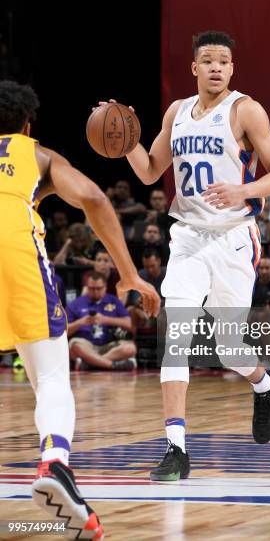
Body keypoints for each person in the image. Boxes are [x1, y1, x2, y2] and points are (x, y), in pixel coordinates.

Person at [112, 29, 270, 481]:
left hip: (233, 238)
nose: (216, 67)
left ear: (232, 69)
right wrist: (126, 137)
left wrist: (243, 190)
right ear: (194, 68)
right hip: (188, 236)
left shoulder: (245, 110)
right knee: (177, 336)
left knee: (230, 348)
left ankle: (263, 384)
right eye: (208, 60)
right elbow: (151, 170)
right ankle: (176, 448)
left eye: (224, 61)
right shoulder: (177, 112)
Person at [0, 80, 160, 538]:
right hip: (14, 252)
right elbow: (92, 197)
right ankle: (54, 463)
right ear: (27, 125)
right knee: (50, 378)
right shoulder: (39, 155)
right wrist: (128, 275)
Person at [68, 272, 135, 371]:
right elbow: (64, 331)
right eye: (91, 288)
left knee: (131, 348)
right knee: (75, 346)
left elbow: (129, 324)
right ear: (86, 287)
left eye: (99, 288)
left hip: (109, 346)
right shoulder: (76, 304)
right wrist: (81, 322)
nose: (95, 292)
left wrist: (106, 320)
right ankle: (112, 365)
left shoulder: (114, 301)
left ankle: (91, 364)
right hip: (86, 345)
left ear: (105, 287)